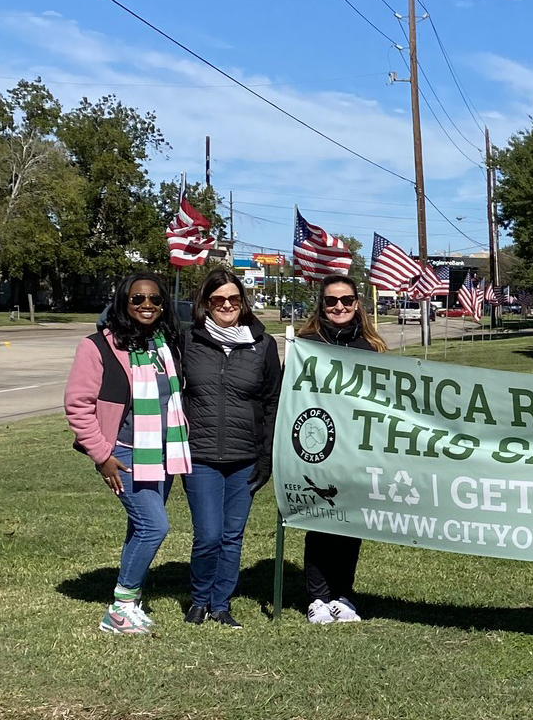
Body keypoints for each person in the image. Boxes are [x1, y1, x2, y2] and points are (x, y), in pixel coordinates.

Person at [64, 272, 191, 635]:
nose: (146, 305)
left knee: (140, 527)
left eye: (154, 299)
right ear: (123, 303)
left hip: (164, 451)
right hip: (123, 455)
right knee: (155, 526)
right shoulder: (98, 346)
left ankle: (130, 602)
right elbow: (78, 405)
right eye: (137, 299)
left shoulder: (165, 343)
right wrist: (101, 455)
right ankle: (119, 609)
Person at [179, 267, 282, 629]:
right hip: (200, 455)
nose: (226, 305)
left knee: (231, 535)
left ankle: (221, 604)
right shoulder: (187, 341)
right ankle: (199, 600)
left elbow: (273, 403)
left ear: (243, 302)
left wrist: (266, 457)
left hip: (245, 458)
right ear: (206, 303)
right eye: (218, 299)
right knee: (207, 534)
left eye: (233, 299)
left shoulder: (264, 345)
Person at [295, 276, 387, 623]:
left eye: (346, 300)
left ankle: (343, 595)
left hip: (358, 451)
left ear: (356, 303)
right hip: (317, 448)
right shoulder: (306, 345)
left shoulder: (371, 347)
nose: (339, 307)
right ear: (321, 304)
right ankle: (317, 599)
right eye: (331, 301)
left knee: (351, 524)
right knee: (320, 522)